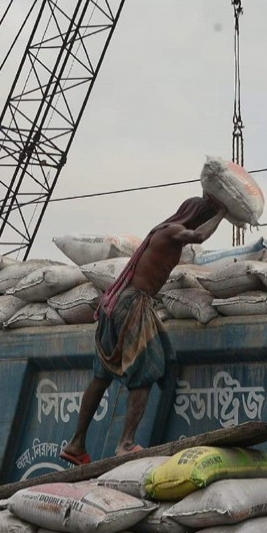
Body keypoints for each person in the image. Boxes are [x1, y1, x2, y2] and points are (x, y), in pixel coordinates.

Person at [59, 195, 227, 465]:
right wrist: (221, 212)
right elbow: (197, 237)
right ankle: (126, 443)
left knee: (101, 375)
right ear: (194, 215)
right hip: (133, 304)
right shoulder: (172, 231)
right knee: (149, 367)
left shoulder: (162, 232)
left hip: (117, 304)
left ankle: (76, 444)